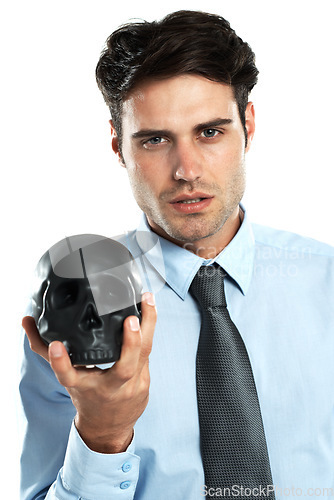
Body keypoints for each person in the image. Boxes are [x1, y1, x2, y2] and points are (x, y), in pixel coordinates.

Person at [20, 9, 334, 500]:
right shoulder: (74, 311)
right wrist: (102, 437)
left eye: (210, 132)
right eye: (155, 139)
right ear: (117, 146)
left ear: (247, 125)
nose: (186, 169)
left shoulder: (326, 283)